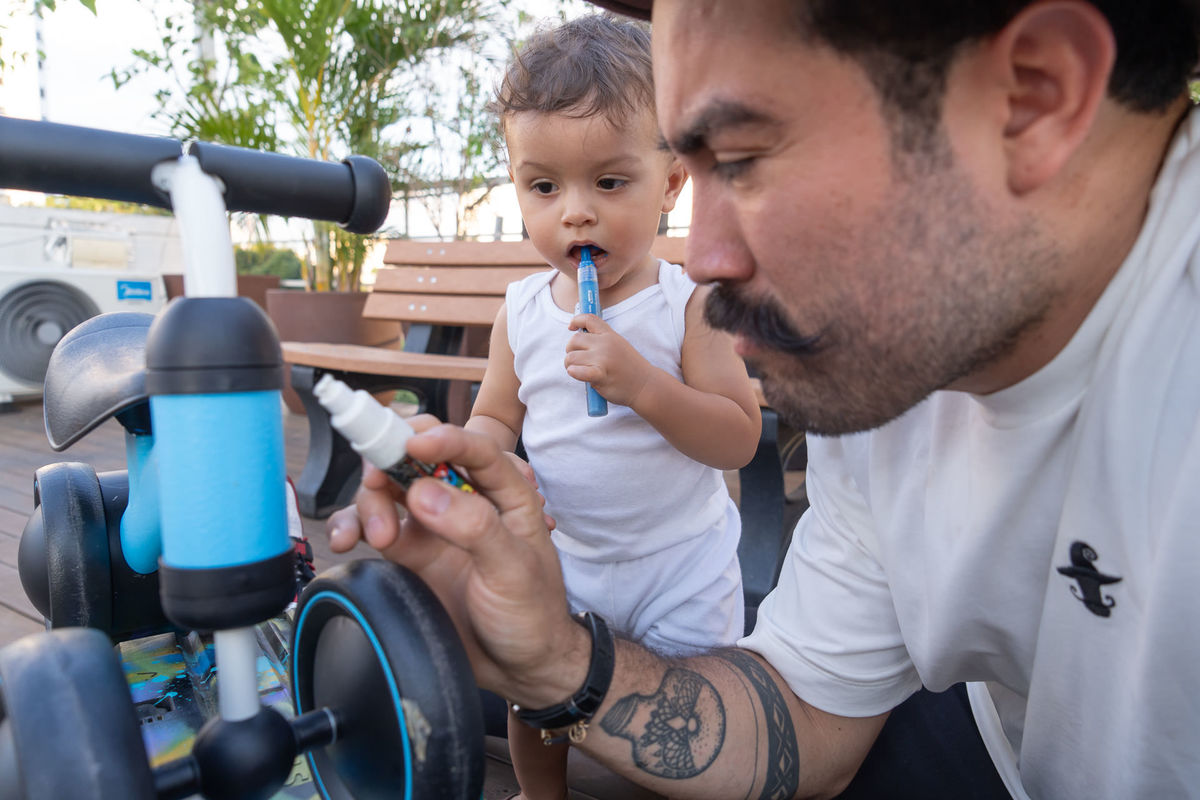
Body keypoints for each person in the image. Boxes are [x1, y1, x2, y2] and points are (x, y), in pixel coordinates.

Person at [328, 0, 1200, 797]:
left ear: (1034, 97)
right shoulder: (889, 375)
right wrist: (554, 661)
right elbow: (807, 715)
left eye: (744, 162)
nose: (706, 260)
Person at [332, 13, 762, 800]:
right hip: (567, 556)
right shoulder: (523, 311)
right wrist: (473, 454)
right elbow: (498, 419)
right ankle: (541, 794)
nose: (576, 212)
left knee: (688, 712)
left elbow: (737, 438)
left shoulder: (687, 305)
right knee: (535, 693)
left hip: (680, 564)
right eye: (544, 186)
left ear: (671, 183)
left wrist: (642, 385)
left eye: (609, 182)